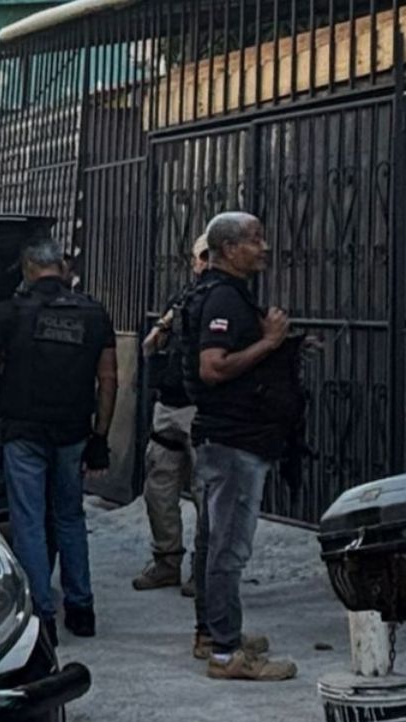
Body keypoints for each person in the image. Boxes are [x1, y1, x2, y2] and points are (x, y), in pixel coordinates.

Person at [0, 237, 118, 643]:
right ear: (62, 269)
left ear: (29, 269)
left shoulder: (9, 312)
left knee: (29, 520)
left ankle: (42, 614)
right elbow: (108, 380)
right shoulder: (93, 313)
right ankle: (82, 608)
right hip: (72, 431)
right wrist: (100, 436)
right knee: (70, 517)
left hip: (24, 431)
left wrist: (10, 371)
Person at [183, 212, 303, 682]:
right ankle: (226, 653)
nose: (265, 246)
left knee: (213, 541)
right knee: (227, 550)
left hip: (226, 437)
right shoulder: (222, 298)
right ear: (229, 249)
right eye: (255, 239)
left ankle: (212, 634)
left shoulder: (219, 293)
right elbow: (214, 367)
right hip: (234, 441)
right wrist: (271, 342)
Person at [133, 234, 210, 594]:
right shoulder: (182, 300)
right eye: (202, 256)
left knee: (205, 492)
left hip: (204, 408)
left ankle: (203, 569)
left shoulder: (227, 301)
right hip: (169, 405)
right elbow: (151, 344)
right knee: (159, 486)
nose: (206, 263)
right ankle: (167, 561)